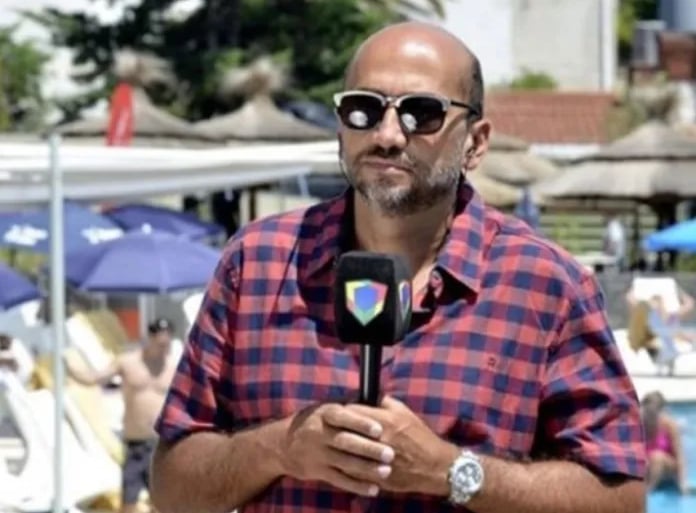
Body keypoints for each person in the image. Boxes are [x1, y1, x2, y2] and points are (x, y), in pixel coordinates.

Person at [150, 21, 646, 513]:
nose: (387, 135)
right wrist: (280, 448)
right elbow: (172, 490)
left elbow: (621, 499)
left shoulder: (545, 284)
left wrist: (453, 473)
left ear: (475, 142)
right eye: (363, 109)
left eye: (421, 113)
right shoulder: (258, 263)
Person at [64, 318, 178, 513]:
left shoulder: (174, 367)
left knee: (161, 505)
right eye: (160, 343)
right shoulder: (128, 362)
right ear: (150, 339)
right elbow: (94, 378)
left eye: (166, 344)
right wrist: (69, 368)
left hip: (162, 444)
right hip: (136, 444)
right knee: (128, 504)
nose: (163, 348)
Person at [642, 391, 689, 494]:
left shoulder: (670, 425)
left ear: (660, 412)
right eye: (647, 412)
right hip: (647, 466)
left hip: (666, 468)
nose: (649, 416)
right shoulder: (638, 424)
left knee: (657, 457)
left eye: (652, 413)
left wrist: (683, 484)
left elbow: (680, 456)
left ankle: (649, 489)